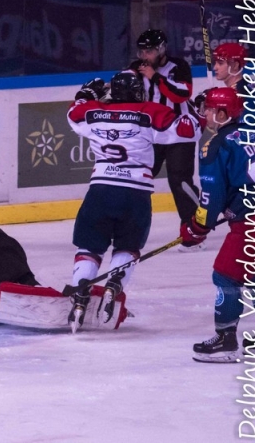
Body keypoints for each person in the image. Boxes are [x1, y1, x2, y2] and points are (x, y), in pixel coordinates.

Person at [66, 71, 201, 333]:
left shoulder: (93, 111)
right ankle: (113, 286)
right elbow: (188, 131)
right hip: (135, 194)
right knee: (127, 248)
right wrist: (195, 111)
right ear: (138, 92)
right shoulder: (150, 111)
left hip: (101, 190)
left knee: (89, 247)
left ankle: (81, 290)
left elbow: (73, 114)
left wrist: (84, 95)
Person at [186, 88, 255, 363]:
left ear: (222, 114)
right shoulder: (254, 133)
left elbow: (211, 197)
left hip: (252, 220)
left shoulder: (215, 144)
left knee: (225, 275)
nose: (205, 114)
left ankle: (225, 341)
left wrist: (197, 228)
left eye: (209, 109)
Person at [128, 29, 203, 252]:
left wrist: (156, 77)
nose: (144, 55)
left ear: (161, 50)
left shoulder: (178, 67)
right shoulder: (136, 67)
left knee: (180, 181)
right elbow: (121, 85)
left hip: (179, 132)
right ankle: (128, 229)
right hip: (150, 133)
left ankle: (194, 232)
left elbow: (182, 95)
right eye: (142, 50)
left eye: (149, 51)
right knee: (136, 179)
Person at [194, 43, 255, 127]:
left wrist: (212, 105)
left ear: (235, 65)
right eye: (215, 63)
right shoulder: (247, 82)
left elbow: (231, 129)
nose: (215, 67)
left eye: (220, 63)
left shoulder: (240, 93)